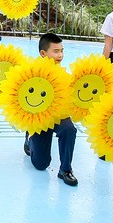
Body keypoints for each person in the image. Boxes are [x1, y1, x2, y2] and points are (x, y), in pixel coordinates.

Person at [24, 33, 78, 186]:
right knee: (41, 164)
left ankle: (65, 169)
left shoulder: (64, 75)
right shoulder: (31, 74)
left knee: (69, 129)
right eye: (55, 51)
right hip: (39, 118)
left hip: (58, 115)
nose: (60, 55)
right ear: (43, 53)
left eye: (61, 50)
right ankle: (30, 136)